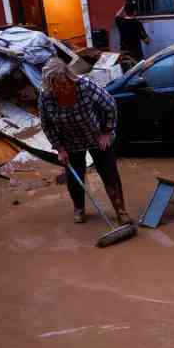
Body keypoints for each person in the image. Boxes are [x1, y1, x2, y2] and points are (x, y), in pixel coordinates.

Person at [38, 58, 132, 225]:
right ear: (50, 85)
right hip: (70, 142)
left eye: (65, 84)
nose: (63, 89)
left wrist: (107, 132)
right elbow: (47, 124)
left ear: (70, 77)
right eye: (58, 86)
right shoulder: (46, 96)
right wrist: (59, 148)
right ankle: (79, 209)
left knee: (109, 173)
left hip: (96, 137)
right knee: (75, 178)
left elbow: (110, 105)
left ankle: (120, 210)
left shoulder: (85, 86)